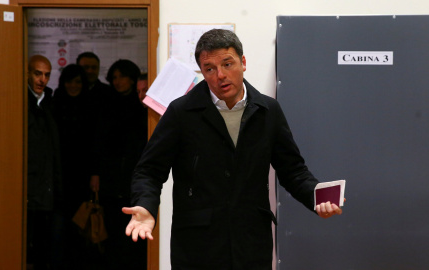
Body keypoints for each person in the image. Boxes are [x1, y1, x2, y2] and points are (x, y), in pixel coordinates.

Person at [123, 29, 343, 269]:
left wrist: (316, 196)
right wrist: (145, 205)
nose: (221, 75)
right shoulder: (181, 113)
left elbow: (293, 170)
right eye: (210, 69)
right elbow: (149, 171)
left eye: (228, 64)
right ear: (202, 72)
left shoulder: (268, 111)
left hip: (251, 242)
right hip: (198, 246)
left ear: (243, 62)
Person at [90, 59, 148, 269]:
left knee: (135, 233)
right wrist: (95, 172)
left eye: (122, 76)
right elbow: (98, 141)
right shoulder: (107, 104)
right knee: (113, 229)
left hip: (134, 177)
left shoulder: (142, 105)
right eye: (114, 77)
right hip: (110, 177)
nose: (117, 81)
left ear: (132, 79)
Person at [52, 64, 96, 269]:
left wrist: (95, 173)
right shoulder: (55, 103)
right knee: (59, 224)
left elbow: (96, 142)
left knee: (82, 222)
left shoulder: (90, 104)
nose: (73, 86)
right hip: (58, 172)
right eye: (69, 81)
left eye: (78, 81)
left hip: (83, 173)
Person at [27, 55, 63, 270]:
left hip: (47, 183)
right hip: (29, 184)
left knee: (43, 242)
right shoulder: (21, 102)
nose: (42, 79)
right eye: (37, 73)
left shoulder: (50, 103)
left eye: (47, 74)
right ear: (27, 73)